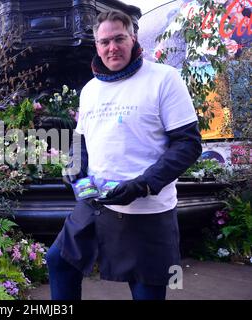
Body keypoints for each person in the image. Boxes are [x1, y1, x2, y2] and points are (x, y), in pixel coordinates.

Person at [46, 10, 202, 300]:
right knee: (59, 261)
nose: (112, 47)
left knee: (146, 291)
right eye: (104, 42)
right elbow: (82, 138)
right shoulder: (90, 89)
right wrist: (76, 168)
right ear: (96, 46)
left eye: (119, 39)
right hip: (95, 203)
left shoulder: (164, 78)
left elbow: (188, 144)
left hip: (147, 210)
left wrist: (143, 184)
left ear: (133, 38)